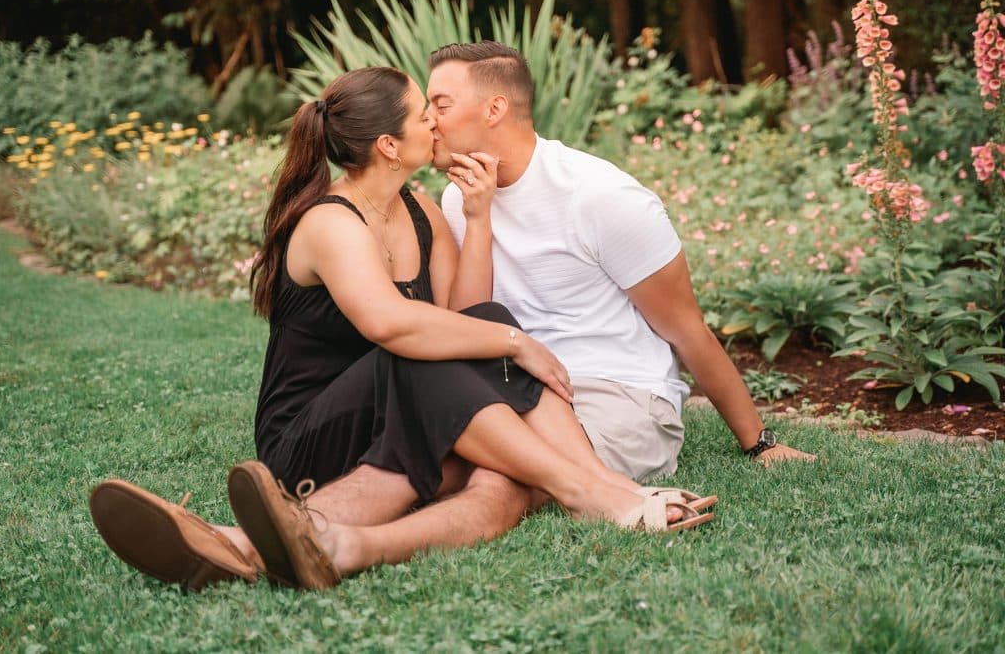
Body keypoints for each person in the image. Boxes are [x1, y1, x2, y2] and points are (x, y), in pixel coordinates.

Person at [89, 67, 714, 593]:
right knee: (428, 349)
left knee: (478, 345)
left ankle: (254, 545)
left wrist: (479, 216)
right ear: (390, 145)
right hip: (311, 434)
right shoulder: (331, 222)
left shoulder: (418, 207)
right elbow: (393, 326)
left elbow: (467, 318)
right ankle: (593, 493)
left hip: (396, 415)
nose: (437, 124)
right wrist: (518, 343)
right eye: (424, 115)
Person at [428, 41, 818, 482]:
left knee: (501, 477)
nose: (428, 121)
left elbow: (687, 329)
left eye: (440, 105)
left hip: (617, 393)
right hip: (518, 386)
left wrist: (759, 442)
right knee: (450, 464)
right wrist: (477, 220)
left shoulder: (600, 196)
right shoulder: (460, 198)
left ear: (494, 108)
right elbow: (469, 323)